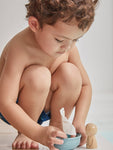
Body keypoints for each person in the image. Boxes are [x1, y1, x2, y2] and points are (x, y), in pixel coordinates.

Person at [0, 0, 98, 149]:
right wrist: (36, 132)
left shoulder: (67, 46)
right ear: (34, 25)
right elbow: (5, 102)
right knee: (39, 75)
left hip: (45, 104)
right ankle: (25, 133)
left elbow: (85, 86)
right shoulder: (20, 49)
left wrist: (79, 121)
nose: (68, 47)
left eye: (75, 39)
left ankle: (58, 126)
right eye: (59, 39)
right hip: (14, 110)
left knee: (71, 74)